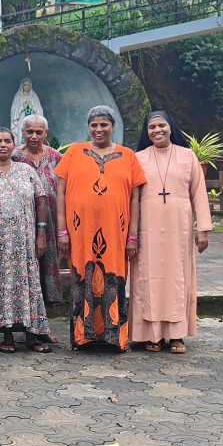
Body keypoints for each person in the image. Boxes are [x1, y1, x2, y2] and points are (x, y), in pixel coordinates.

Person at [55, 105, 146, 352]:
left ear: (112, 126)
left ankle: (116, 338)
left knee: (113, 280)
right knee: (81, 280)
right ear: (88, 127)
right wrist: (62, 231)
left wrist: (133, 237)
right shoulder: (74, 152)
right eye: (94, 125)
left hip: (116, 234)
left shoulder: (128, 155)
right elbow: (60, 192)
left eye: (103, 124)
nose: (98, 129)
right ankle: (80, 338)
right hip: (80, 232)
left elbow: (134, 198)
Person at [131, 111, 212, 354]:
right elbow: (131, 199)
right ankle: (151, 335)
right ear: (147, 132)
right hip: (148, 231)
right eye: (151, 126)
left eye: (161, 125)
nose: (157, 130)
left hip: (180, 229)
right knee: (149, 281)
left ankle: (177, 335)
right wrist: (130, 234)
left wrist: (203, 230)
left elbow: (199, 193)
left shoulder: (187, 156)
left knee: (177, 280)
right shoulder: (138, 158)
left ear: (170, 127)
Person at [0, 128, 52, 354]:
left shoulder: (26, 171)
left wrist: (41, 234)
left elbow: (40, 203)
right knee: (0, 289)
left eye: (7, 141)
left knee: (28, 286)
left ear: (13, 145)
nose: (2, 145)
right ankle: (6, 334)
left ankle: (31, 334)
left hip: (23, 243)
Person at [11, 115, 63, 312]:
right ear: (22, 133)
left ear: (46, 133)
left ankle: (44, 324)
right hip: (21, 225)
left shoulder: (56, 157)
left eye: (38, 132)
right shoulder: (14, 156)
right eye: (29, 131)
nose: (33, 136)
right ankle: (26, 323)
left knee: (48, 268)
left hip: (51, 224)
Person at [10, 78, 44, 143]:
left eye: (28, 85)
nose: (26, 86)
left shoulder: (34, 96)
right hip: (21, 119)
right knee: (22, 133)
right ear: (22, 86)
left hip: (32, 119)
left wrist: (32, 107)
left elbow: (40, 110)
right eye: (25, 85)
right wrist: (23, 106)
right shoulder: (18, 96)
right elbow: (13, 111)